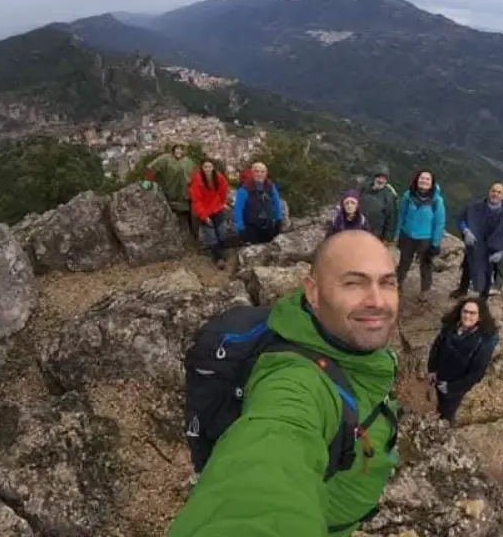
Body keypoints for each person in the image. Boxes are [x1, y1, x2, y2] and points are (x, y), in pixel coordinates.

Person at [168, 230, 402, 537]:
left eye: (387, 282)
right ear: (312, 292)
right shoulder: (294, 382)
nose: (377, 301)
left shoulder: (347, 350)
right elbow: (263, 472)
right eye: (353, 283)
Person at [427, 297, 499, 424]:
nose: (467, 316)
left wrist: (452, 387)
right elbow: (436, 347)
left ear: (480, 317)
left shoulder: (483, 342)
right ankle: (440, 410)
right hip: (441, 374)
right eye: (465, 311)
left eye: (472, 313)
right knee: (441, 396)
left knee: (450, 403)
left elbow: (476, 374)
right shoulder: (450, 327)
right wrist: (432, 369)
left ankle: (447, 419)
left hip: (457, 383)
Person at [451, 182, 503, 299]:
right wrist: (466, 231)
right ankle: (462, 290)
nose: (495, 194)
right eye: (493, 191)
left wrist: (502, 253)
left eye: (499, 192)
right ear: (489, 192)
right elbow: (462, 219)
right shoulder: (476, 206)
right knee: (468, 267)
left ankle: (482, 300)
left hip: (493, 251)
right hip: (475, 246)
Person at [393, 170, 446, 300]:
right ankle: (397, 285)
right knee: (404, 262)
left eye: (427, 179)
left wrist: (435, 243)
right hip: (407, 234)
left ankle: (425, 290)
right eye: (422, 178)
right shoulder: (408, 195)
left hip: (425, 238)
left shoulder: (437, 201)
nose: (424, 181)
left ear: (432, 183)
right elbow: (401, 215)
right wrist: (397, 233)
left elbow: (439, 223)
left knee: (426, 264)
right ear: (417, 180)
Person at [145, 144, 199, 236]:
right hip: (169, 196)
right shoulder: (165, 159)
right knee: (174, 222)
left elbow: (196, 176)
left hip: (186, 197)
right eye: (177, 149)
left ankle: (194, 238)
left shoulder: (188, 162)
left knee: (191, 221)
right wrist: (148, 183)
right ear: (173, 149)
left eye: (181, 149)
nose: (179, 151)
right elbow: (151, 169)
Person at [188, 158, 229, 269]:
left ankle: (219, 252)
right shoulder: (197, 180)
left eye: (210, 167)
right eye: (205, 167)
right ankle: (219, 258)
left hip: (216, 208)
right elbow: (197, 200)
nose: (208, 169)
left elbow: (223, 190)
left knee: (222, 232)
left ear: (213, 167)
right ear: (202, 168)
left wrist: (222, 202)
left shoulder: (218, 177)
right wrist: (204, 216)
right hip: (204, 211)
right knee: (211, 236)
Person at [232, 161, 283, 245]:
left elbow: (277, 203)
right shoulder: (244, 189)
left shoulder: (270, 186)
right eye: (256, 171)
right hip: (251, 226)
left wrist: (278, 219)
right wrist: (240, 228)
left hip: (268, 224)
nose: (259, 174)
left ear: (266, 173)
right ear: (252, 173)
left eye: (262, 172)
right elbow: (238, 209)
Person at [358, 165, 398, 243]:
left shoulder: (389, 195)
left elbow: (391, 218)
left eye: (384, 178)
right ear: (374, 177)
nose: (381, 180)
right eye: (379, 177)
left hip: (376, 235)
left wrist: (387, 238)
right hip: (358, 229)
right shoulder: (364, 187)